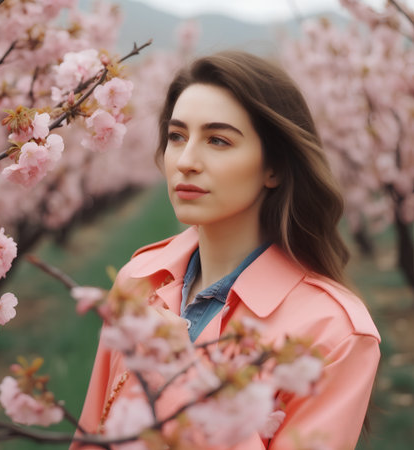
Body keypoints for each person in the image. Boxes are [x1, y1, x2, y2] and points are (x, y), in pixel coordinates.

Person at [74, 51, 380, 449]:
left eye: (218, 140)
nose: (185, 161)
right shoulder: (139, 279)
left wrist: (182, 373)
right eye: (177, 136)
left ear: (275, 167)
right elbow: (92, 432)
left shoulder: (333, 332)